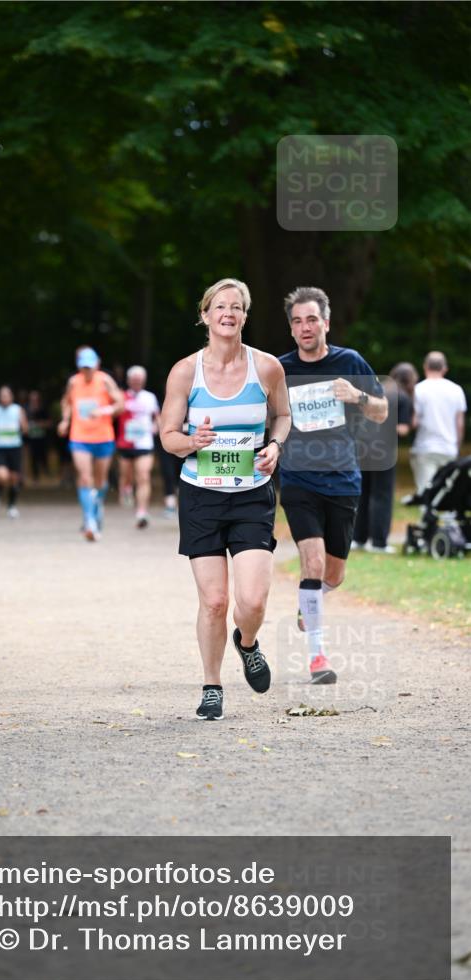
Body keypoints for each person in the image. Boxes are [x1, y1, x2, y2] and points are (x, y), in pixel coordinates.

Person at [160, 278, 291, 721]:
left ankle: (247, 643)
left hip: (252, 495)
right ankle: (212, 686)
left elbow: (283, 415)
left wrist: (275, 446)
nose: (228, 313)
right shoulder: (185, 372)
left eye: (236, 307)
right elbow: (168, 437)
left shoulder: (267, 368)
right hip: (202, 497)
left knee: (251, 602)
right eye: (220, 306)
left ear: (244, 317)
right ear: (205, 315)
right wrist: (192, 441)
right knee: (215, 601)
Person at [279, 286, 387, 685]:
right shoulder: (280, 369)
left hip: (342, 478)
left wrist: (358, 396)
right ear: (291, 329)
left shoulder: (349, 361)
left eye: (311, 319)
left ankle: (310, 601)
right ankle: (318, 657)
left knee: (334, 575)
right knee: (313, 563)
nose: (305, 327)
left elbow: (381, 411)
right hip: (297, 478)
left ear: (326, 322)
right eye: (297, 321)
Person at [57, 347, 123, 541]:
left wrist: (104, 411)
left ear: (97, 365)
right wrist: (65, 420)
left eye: (90, 367)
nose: (86, 371)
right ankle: (90, 521)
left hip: (103, 436)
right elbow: (66, 402)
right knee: (85, 478)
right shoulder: (73, 382)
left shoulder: (105, 380)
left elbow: (120, 404)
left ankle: (97, 504)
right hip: (80, 437)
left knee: (100, 481)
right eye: (83, 367)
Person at [352, 361, 417, 553]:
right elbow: (402, 429)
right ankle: (379, 543)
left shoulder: (377, 391)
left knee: (362, 493)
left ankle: (358, 539)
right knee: (382, 495)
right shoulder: (403, 397)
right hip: (384, 452)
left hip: (362, 447)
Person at [410, 351, 467, 494]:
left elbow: (414, 422)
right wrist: (456, 447)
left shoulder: (418, 390)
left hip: (425, 448)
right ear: (445, 368)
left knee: (425, 493)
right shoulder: (457, 390)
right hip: (448, 448)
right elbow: (460, 424)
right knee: (445, 494)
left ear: (425, 366)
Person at [116, 366, 160, 528]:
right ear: (128, 381)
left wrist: (157, 426)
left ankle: (142, 512)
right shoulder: (121, 396)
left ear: (143, 381)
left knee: (143, 476)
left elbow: (157, 416)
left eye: (139, 380)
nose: (136, 382)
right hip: (125, 443)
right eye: (134, 380)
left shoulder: (150, 397)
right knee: (126, 476)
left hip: (144, 443)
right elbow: (113, 413)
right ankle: (126, 489)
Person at [0, 386, 28, 518]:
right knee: (2, 475)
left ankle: (11, 506)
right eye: (2, 395)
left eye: (6, 395)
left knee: (14, 478)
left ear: (11, 397)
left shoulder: (18, 410)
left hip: (14, 447)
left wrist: (23, 427)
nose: (4, 398)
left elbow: (25, 427)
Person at [25, 389, 52, 481]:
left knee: (44, 456)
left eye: (36, 398)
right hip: (30, 438)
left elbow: (49, 423)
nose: (34, 400)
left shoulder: (43, 409)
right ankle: (35, 476)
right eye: (32, 398)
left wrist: (39, 424)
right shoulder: (26, 409)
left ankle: (46, 472)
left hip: (42, 438)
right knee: (33, 457)